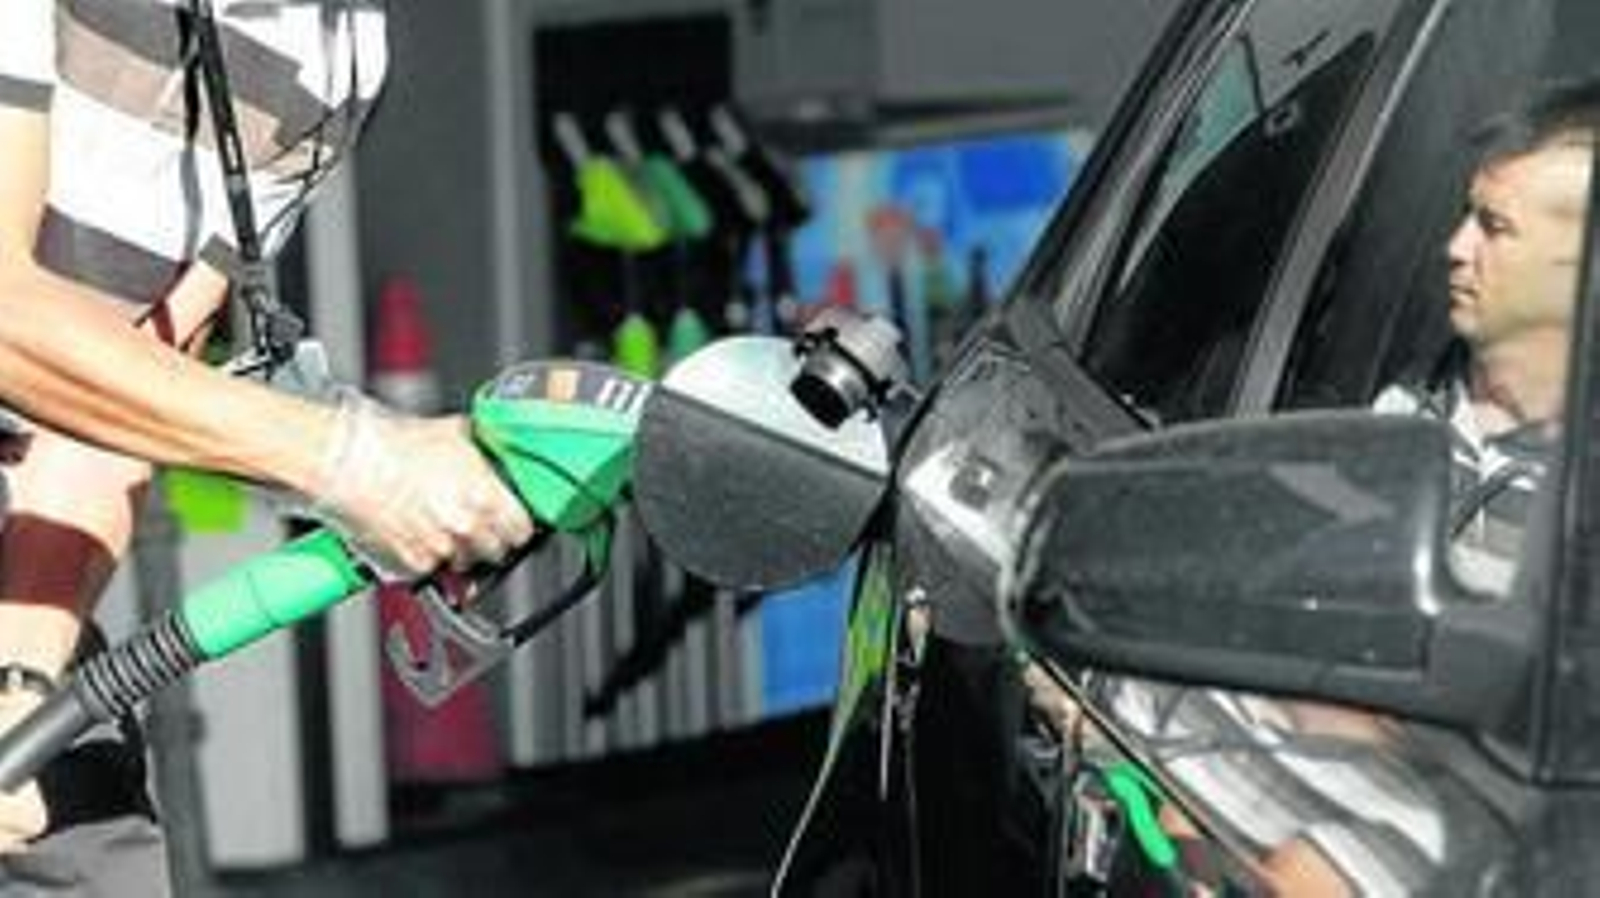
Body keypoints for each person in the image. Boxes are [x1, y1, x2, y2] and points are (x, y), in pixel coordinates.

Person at [0, 1, 535, 892]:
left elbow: (103, 417)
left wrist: (18, 680)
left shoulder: (334, 53)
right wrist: (355, 461)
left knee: (88, 852)